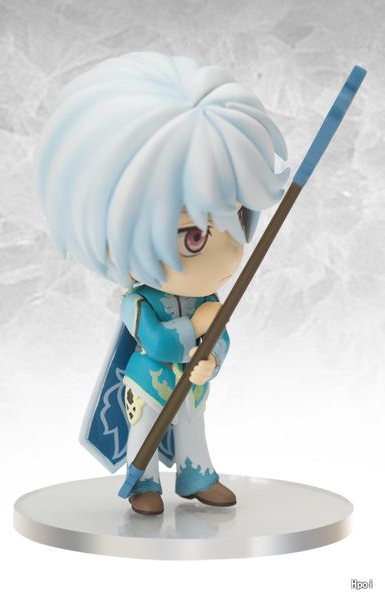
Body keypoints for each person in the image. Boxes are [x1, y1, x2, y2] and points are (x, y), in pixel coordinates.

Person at [35, 51, 289, 515]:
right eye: (194, 236)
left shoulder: (205, 298)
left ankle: (197, 475)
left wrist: (213, 358)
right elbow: (155, 341)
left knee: (193, 425)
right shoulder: (138, 302)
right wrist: (198, 331)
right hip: (149, 382)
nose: (226, 253)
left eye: (236, 218)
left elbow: (220, 338)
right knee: (145, 432)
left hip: (190, 385)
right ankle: (144, 484)